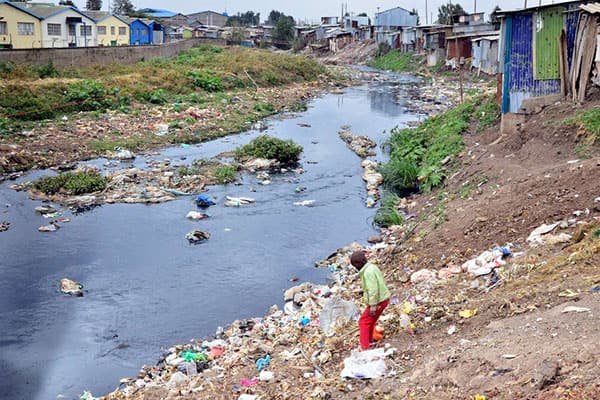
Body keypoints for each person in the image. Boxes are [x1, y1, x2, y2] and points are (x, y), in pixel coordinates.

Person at [350, 250, 391, 350]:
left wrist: (373, 305)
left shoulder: (367, 272)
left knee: (363, 322)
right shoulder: (372, 267)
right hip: (383, 299)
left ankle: (365, 347)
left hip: (378, 301)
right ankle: (370, 341)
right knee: (370, 321)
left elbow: (373, 289)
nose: (355, 268)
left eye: (355, 265)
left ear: (359, 263)